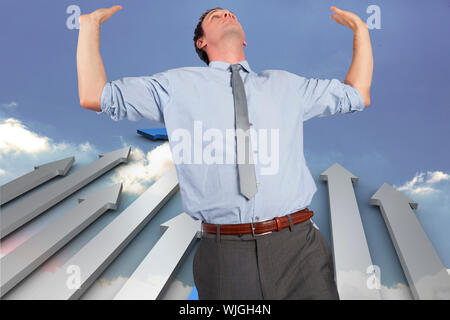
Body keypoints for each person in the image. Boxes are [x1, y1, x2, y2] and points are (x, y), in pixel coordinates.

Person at [77, 5, 373, 300]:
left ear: (244, 39)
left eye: (232, 14)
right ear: (201, 42)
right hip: (224, 255)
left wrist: (361, 30)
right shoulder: (174, 86)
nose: (226, 14)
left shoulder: (286, 85)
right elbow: (95, 95)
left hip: (300, 249)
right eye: (214, 16)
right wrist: (90, 26)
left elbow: (357, 95)